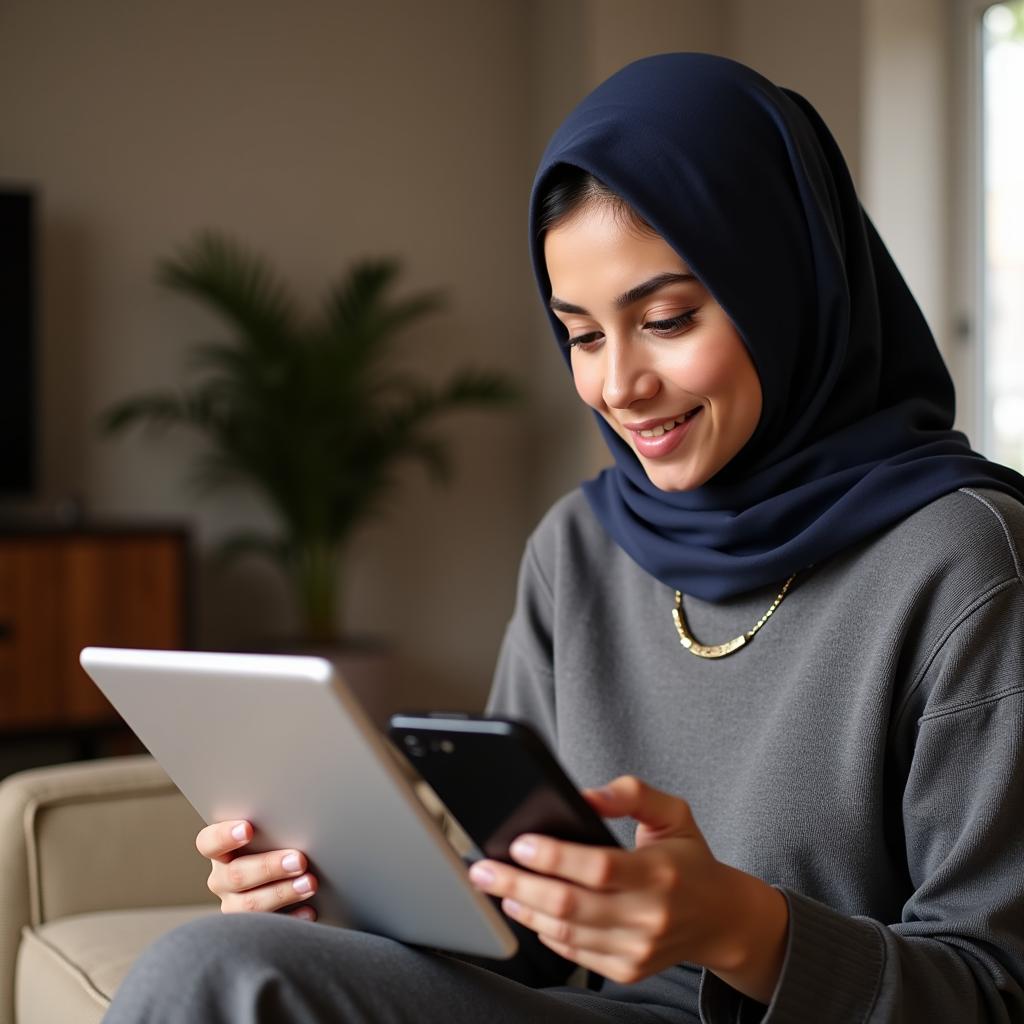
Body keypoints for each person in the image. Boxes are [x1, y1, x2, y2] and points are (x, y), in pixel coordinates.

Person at [104, 53, 1024, 1023]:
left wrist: (743, 929)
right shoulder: (580, 548)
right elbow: (525, 922)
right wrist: (329, 900)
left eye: (665, 319)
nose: (617, 384)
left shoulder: (964, 563)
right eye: (581, 335)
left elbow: (995, 990)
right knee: (223, 965)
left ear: (784, 288)